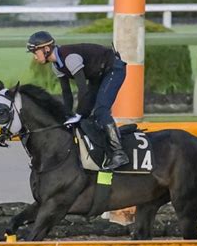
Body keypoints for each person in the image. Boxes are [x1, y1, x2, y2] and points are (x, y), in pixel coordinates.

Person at [26, 31, 129, 170]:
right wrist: (67, 115)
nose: (35, 57)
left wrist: (78, 113)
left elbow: (83, 90)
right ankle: (100, 150)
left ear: (46, 49)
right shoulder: (56, 65)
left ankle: (119, 153)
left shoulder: (69, 58)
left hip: (113, 69)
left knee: (101, 110)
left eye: (35, 52)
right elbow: (67, 93)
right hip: (97, 74)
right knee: (85, 116)